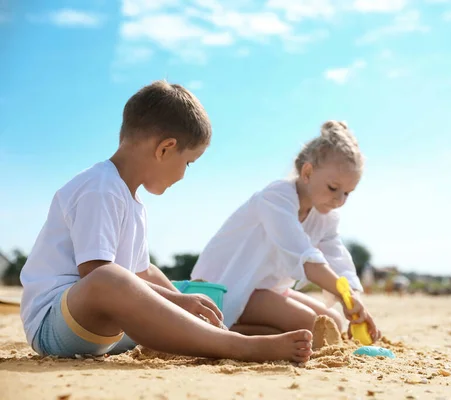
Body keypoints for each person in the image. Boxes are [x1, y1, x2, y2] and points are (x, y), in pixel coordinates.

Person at [19, 81, 313, 363]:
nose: (185, 173)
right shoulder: (100, 187)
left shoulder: (132, 200)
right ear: (165, 149)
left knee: (164, 302)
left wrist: (181, 299)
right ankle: (238, 346)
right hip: (55, 326)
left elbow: (142, 272)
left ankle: (219, 335)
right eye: (188, 163)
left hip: (101, 330)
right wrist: (178, 303)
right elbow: (96, 273)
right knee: (111, 278)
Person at [190, 120, 380, 342]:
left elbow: (339, 261)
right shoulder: (277, 198)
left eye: (347, 193)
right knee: (311, 326)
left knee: (333, 324)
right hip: (228, 287)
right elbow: (304, 256)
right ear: (307, 172)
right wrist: (343, 295)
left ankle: (262, 334)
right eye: (333, 188)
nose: (340, 200)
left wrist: (355, 303)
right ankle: (223, 331)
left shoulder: (325, 216)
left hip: (267, 290)